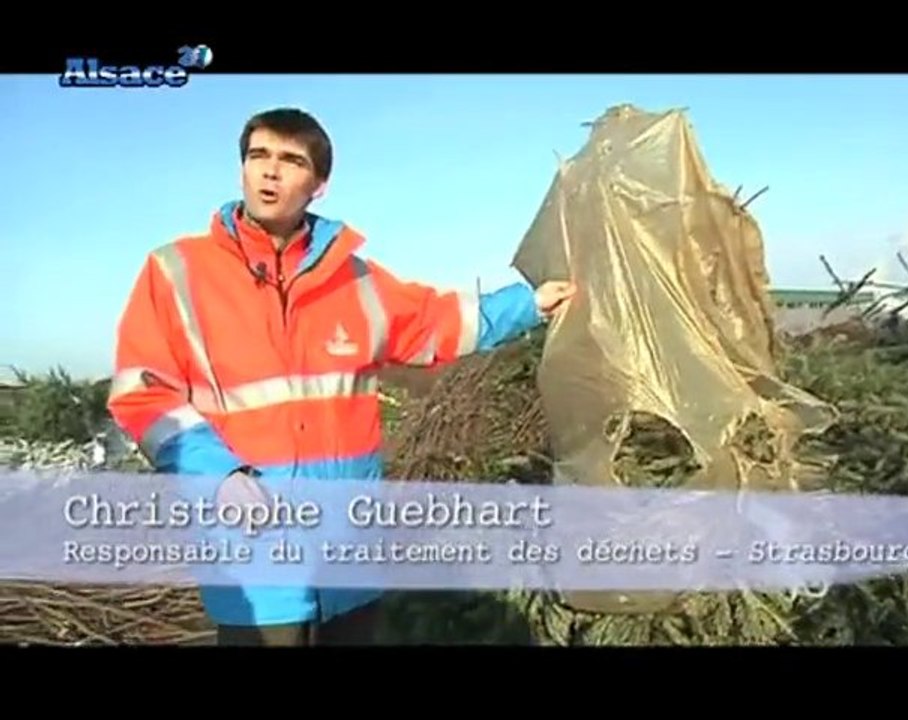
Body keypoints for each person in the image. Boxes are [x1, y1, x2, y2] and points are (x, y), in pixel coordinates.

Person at [106, 107, 576, 646]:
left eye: (290, 160)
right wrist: (220, 474)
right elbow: (143, 394)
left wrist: (530, 304)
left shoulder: (354, 280)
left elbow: (435, 322)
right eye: (258, 156)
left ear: (319, 185)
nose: (270, 172)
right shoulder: (176, 272)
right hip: (257, 565)